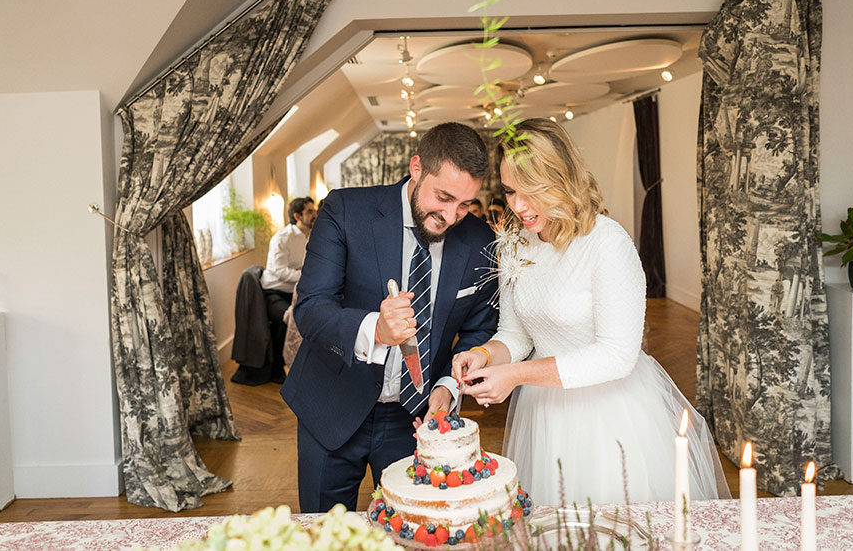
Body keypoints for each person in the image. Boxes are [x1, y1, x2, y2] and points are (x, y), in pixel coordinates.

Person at [452, 118, 729, 506]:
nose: (519, 206)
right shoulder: (515, 242)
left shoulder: (607, 243)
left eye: (532, 191)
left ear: (561, 179)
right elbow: (516, 334)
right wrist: (482, 356)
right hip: (545, 412)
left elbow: (617, 356)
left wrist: (515, 374)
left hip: (610, 416)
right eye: (512, 191)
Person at [283, 122, 499, 513]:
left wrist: (449, 387)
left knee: (414, 529)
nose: (451, 216)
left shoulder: (481, 240)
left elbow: (479, 328)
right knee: (326, 536)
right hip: (331, 408)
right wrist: (376, 330)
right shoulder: (346, 210)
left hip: (415, 420)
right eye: (443, 197)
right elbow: (311, 308)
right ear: (416, 168)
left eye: (465, 204)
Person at [258, 196, 316, 382]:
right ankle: (277, 369)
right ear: (297, 216)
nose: (315, 214)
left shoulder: (312, 235)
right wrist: (304, 274)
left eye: (314, 210)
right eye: (310, 211)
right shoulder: (282, 238)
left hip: (296, 291)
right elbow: (277, 271)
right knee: (289, 318)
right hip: (274, 292)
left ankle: (306, 366)